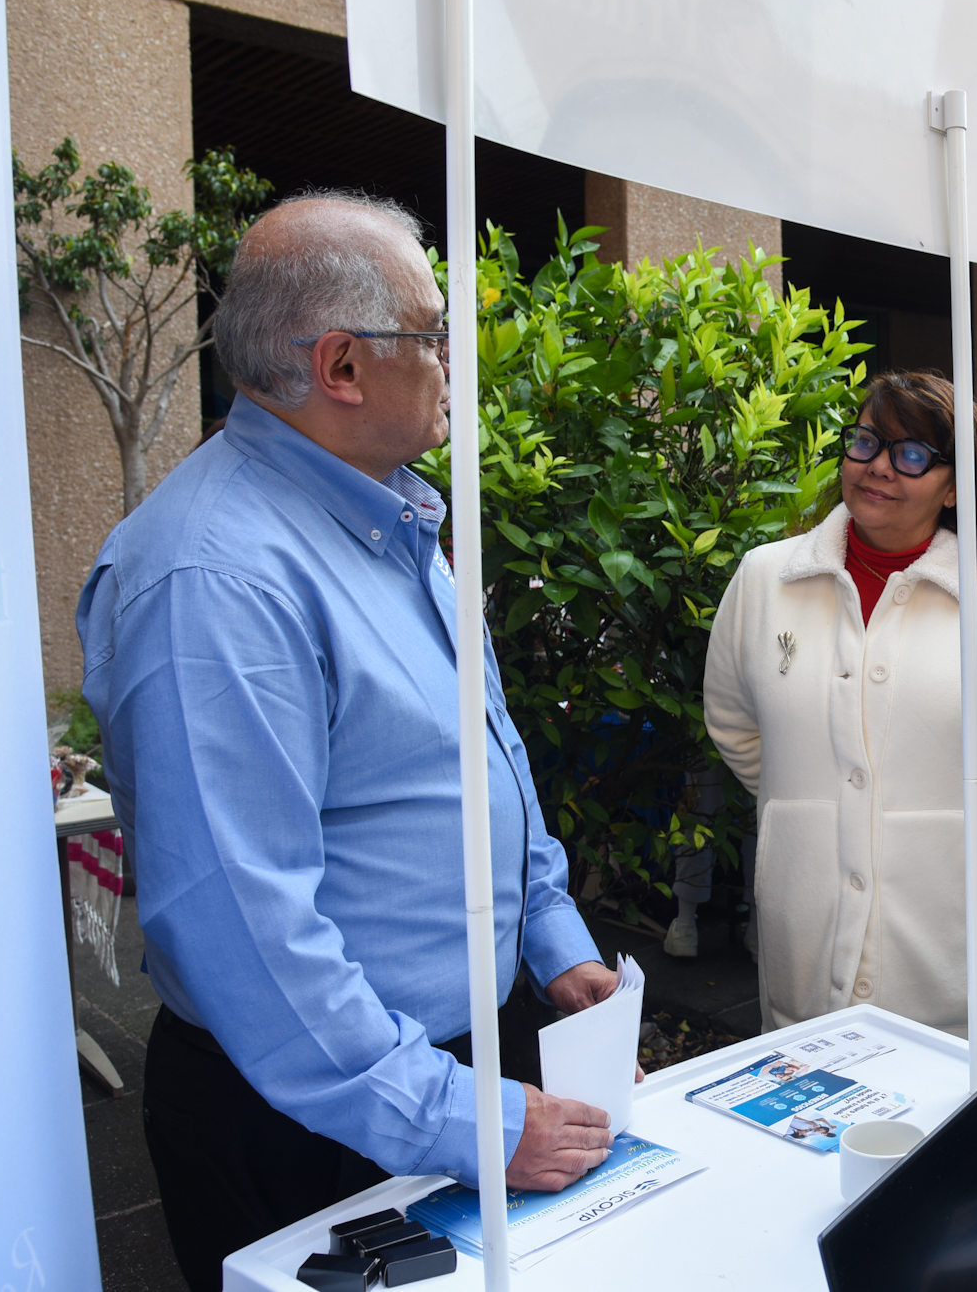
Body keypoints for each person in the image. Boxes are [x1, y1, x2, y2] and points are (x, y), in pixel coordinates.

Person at [76, 192, 622, 1289]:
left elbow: (480, 751)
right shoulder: (216, 578)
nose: (454, 360)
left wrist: (551, 937)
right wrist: (461, 1120)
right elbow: (246, 933)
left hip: (433, 1073)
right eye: (433, 333)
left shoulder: (387, 518)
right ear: (340, 365)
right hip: (318, 1115)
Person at [703, 370, 977, 1060]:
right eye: (865, 443)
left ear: (955, 485)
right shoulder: (765, 580)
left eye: (912, 453)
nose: (879, 466)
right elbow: (736, 726)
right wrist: (819, 802)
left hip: (963, 988)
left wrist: (955, 819)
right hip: (807, 974)